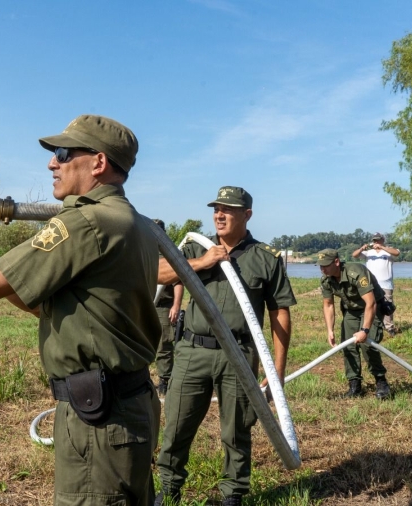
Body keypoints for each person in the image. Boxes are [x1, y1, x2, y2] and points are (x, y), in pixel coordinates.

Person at [0, 114, 161, 505]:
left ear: (98, 163)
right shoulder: (132, 223)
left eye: (61, 153)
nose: (51, 164)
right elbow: (49, 306)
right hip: (128, 408)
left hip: (100, 422)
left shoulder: (85, 223)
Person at [153, 186, 296, 506]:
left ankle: (233, 495)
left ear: (247, 214)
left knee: (237, 431)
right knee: (176, 425)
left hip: (240, 354)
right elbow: (158, 274)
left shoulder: (265, 258)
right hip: (192, 350)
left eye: (228, 209)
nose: (219, 214)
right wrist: (203, 262)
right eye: (216, 208)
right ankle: (170, 488)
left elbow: (280, 313)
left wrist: (278, 372)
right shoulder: (194, 247)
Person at [317, 248, 391, 400]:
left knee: (367, 343)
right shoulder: (326, 280)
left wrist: (364, 330)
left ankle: (381, 382)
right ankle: (355, 385)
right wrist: (330, 330)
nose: (322, 269)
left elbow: (370, 302)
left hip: (371, 307)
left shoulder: (356, 272)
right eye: (320, 266)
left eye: (325, 265)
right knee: (348, 346)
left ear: (336, 262)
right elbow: (328, 305)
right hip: (351, 310)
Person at [153, 219, 185, 395]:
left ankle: (165, 380)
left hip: (164, 307)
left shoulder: (169, 255)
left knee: (164, 345)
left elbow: (178, 282)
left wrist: (176, 305)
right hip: (145, 306)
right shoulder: (144, 252)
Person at [351, 232, 400, 335]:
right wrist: (362, 248)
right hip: (371, 284)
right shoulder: (369, 253)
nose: (376, 242)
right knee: (371, 304)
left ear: (383, 240)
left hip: (386, 284)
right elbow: (354, 255)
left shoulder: (388, 251)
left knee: (387, 305)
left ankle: (389, 327)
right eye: (374, 240)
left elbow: (397, 253)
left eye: (378, 240)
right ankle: (372, 324)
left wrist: (383, 248)